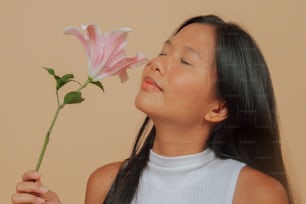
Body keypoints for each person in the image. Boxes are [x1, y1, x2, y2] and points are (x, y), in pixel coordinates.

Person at [12, 14, 294, 204]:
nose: (156, 63)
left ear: (219, 108)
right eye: (163, 51)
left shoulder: (256, 193)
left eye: (185, 61)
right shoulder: (104, 184)